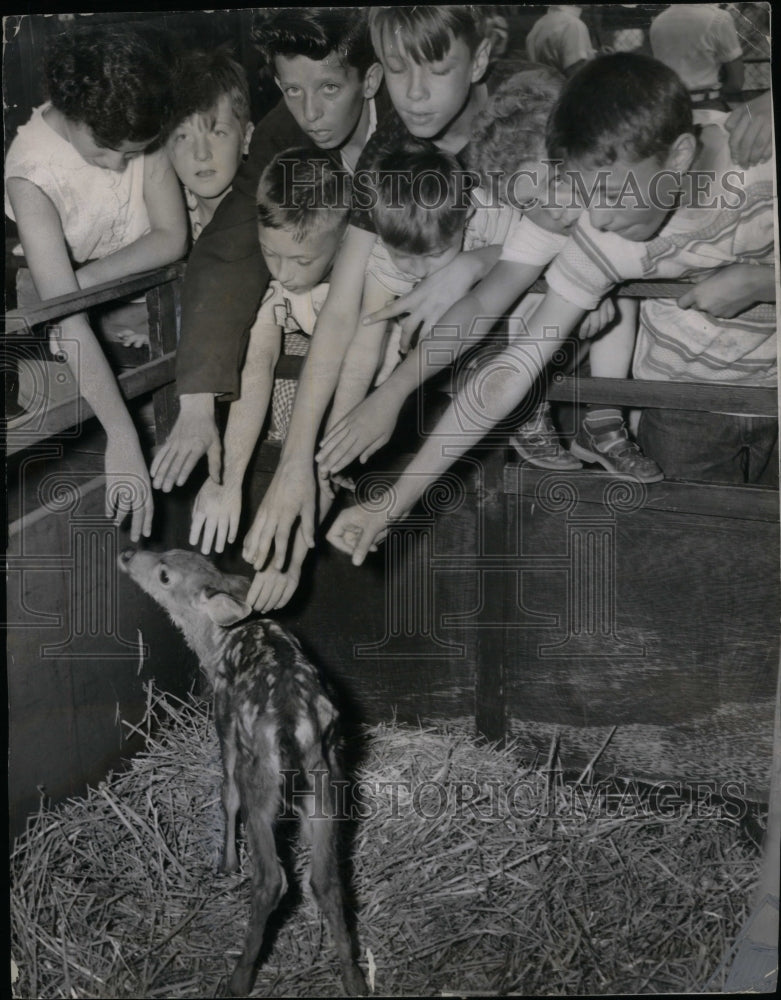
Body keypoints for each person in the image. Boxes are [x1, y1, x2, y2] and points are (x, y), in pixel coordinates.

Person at [326, 52, 776, 564]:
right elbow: (509, 371)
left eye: (608, 192)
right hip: (696, 402)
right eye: (584, 192)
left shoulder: (761, 159)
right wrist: (393, 502)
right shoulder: (594, 228)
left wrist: (764, 282)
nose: (597, 218)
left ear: (677, 157)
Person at [242, 5, 503, 600]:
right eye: (394, 67)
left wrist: (471, 264)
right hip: (428, 356)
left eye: (435, 70)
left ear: (480, 59)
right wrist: (298, 469)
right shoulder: (390, 144)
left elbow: (542, 255)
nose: (414, 95)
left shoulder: (521, 121)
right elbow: (347, 315)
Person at [318, 67, 660, 482]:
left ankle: (603, 421)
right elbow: (516, 264)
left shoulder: (627, 191)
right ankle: (536, 412)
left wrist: (597, 288)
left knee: (615, 296)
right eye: (529, 204)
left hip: (593, 327)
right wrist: (370, 410)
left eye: (553, 186)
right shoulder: (528, 210)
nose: (552, 210)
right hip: (512, 339)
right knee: (527, 292)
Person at [150, 7, 382, 492]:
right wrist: (195, 406)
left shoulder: (411, 117)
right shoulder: (281, 131)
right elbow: (228, 247)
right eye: (292, 90)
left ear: (370, 78)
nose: (310, 113)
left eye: (330, 88)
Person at [4, 23, 188, 542]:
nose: (121, 165)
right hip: (75, 324)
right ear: (74, 111)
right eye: (110, 151)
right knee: (84, 442)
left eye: (135, 152)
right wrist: (122, 438)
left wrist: (83, 281)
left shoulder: (133, 119)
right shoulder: (30, 173)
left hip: (122, 293)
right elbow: (67, 319)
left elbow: (172, 237)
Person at [188, 150, 351, 610]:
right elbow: (258, 359)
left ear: (342, 243)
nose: (282, 273)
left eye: (300, 261)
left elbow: (342, 422)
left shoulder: (361, 280)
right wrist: (229, 480)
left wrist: (292, 553)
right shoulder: (279, 278)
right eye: (269, 253)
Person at [164, 47, 254, 242]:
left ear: (246, 139)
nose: (202, 154)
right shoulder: (163, 218)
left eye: (218, 133)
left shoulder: (265, 213)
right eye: (183, 137)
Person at [650, 3, 744, 108]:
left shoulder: (658, 21)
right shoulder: (719, 18)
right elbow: (736, 83)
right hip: (707, 103)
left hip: (670, 106)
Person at [525, 5, 595, 78]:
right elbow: (577, 76)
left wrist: (594, 56)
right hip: (561, 87)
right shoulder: (573, 25)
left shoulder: (540, 23)